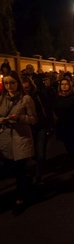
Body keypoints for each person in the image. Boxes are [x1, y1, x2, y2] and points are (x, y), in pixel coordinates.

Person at [0, 71, 37, 215]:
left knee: (19, 169)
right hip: (5, 139)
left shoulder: (26, 99)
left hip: (21, 137)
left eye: (12, 83)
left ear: (18, 83)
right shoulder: (2, 99)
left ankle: (20, 200)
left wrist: (19, 118)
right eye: (7, 83)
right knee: (11, 168)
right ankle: (25, 184)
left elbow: (33, 119)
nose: (9, 86)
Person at [22, 77, 54, 184]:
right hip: (27, 128)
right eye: (24, 88)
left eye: (28, 87)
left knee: (40, 152)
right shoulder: (20, 98)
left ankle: (38, 176)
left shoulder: (38, 96)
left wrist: (50, 125)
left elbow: (47, 109)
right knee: (30, 153)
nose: (26, 90)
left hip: (41, 127)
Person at [54, 78, 74, 165]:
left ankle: (72, 158)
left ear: (70, 85)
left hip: (72, 123)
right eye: (62, 84)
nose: (64, 86)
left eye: (66, 84)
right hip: (62, 123)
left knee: (72, 142)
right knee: (66, 142)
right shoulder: (57, 97)